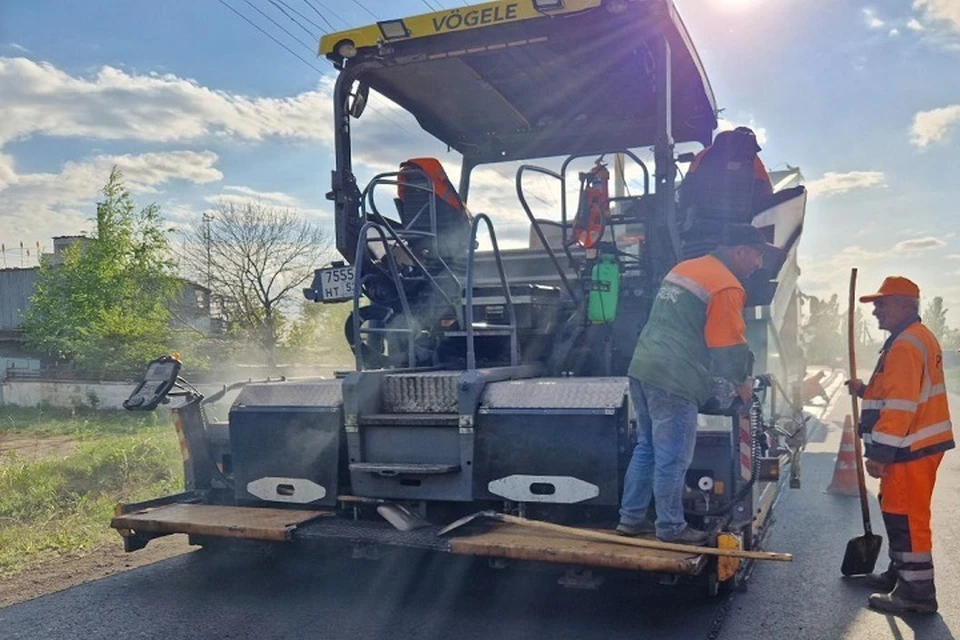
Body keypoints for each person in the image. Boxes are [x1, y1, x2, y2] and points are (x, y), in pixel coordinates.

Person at [616, 224, 775, 545]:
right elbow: (727, 345)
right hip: (674, 377)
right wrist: (741, 382)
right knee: (672, 457)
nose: (758, 264)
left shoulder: (684, 269)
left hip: (643, 366)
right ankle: (671, 527)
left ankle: (630, 519)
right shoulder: (726, 286)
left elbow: (683, 326)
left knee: (647, 447)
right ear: (740, 250)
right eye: (757, 256)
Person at [846, 276, 954, 615]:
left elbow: (901, 406)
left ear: (906, 304)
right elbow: (897, 393)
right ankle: (900, 574)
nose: (876, 311)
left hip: (909, 447)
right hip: (914, 445)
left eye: (882, 303)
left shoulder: (907, 344)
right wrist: (864, 390)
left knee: (907, 518)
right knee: (897, 512)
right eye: (874, 304)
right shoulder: (910, 338)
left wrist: (880, 454)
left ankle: (916, 594)